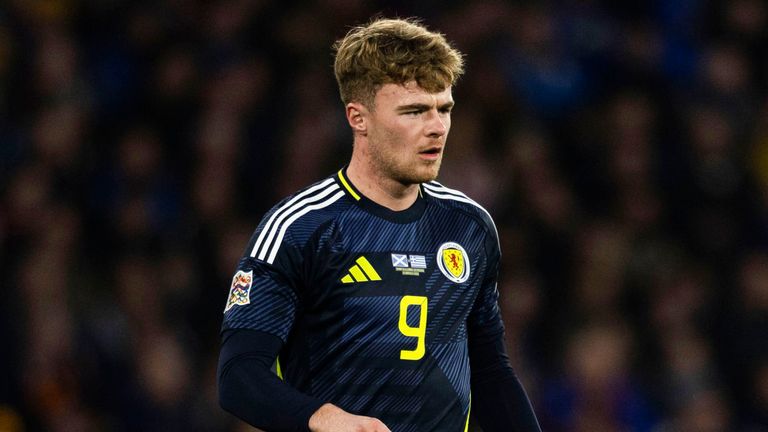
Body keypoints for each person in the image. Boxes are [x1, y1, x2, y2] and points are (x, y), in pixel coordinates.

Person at [217, 17, 541, 432]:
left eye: (444, 109)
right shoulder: (300, 228)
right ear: (358, 118)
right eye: (414, 111)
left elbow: (490, 371)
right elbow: (239, 376)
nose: (437, 127)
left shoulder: (469, 226)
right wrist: (324, 418)